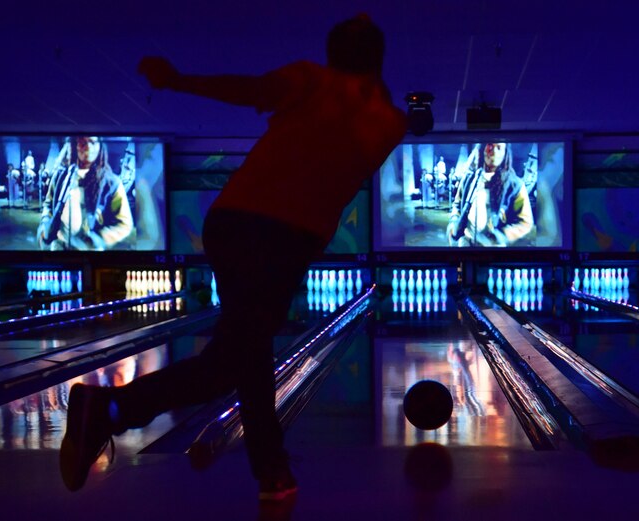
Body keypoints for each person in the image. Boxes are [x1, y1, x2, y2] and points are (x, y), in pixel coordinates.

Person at [59, 15, 407, 501]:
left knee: (244, 353)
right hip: (274, 237)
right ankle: (114, 410)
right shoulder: (390, 122)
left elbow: (251, 89)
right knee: (236, 358)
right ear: (378, 59)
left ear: (332, 56)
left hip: (240, 222)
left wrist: (177, 80)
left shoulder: (313, 82)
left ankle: (269, 469)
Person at [38, 136, 134, 251]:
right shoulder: (61, 176)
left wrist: (97, 240)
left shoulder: (112, 183)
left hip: (89, 251)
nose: (88, 147)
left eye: (93, 142)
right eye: (83, 142)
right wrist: (45, 226)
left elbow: (124, 224)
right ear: (75, 145)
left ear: (100, 146)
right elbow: (48, 205)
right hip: (58, 246)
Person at [446, 142, 533, 247]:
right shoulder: (469, 179)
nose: (494, 152)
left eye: (499, 148)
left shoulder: (515, 185)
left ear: (505, 153)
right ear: (483, 149)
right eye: (490, 145)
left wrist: (500, 236)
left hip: (492, 247)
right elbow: (457, 205)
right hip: (466, 242)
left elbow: (525, 222)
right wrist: (454, 223)